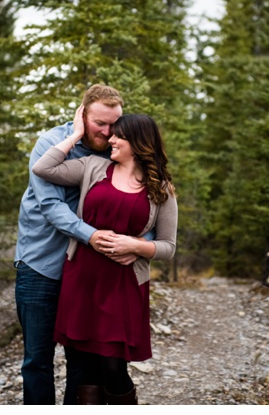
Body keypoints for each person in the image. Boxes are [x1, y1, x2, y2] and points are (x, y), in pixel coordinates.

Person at [32, 107, 177, 405]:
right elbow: (43, 168)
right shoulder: (93, 167)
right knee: (83, 367)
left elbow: (168, 247)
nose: (110, 139)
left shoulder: (161, 189)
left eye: (119, 136)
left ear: (138, 143)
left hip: (121, 286)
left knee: (113, 367)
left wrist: (135, 246)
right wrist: (74, 135)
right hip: (82, 278)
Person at [14, 84, 144, 405]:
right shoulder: (51, 144)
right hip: (40, 266)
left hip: (87, 273)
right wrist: (91, 235)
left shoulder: (116, 152)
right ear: (81, 114)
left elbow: (142, 200)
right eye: (99, 123)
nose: (107, 131)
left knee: (83, 363)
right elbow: (51, 206)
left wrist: (139, 245)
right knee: (37, 361)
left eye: (114, 123)